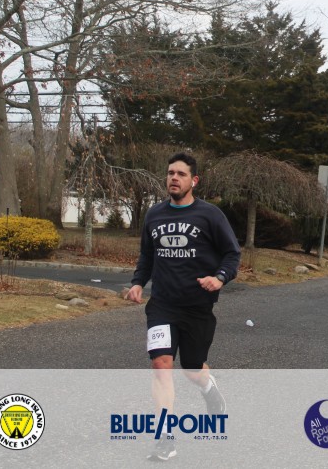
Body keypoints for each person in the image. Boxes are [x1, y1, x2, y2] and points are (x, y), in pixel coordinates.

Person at [125, 152, 241, 462]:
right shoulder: (154, 215)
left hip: (197, 307)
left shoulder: (210, 215)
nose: (174, 178)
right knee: (161, 366)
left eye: (181, 174)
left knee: (192, 369)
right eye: (170, 173)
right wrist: (138, 282)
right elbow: (147, 255)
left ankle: (209, 388)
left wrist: (219, 278)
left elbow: (232, 254)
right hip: (162, 306)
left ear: (194, 180)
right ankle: (165, 438)